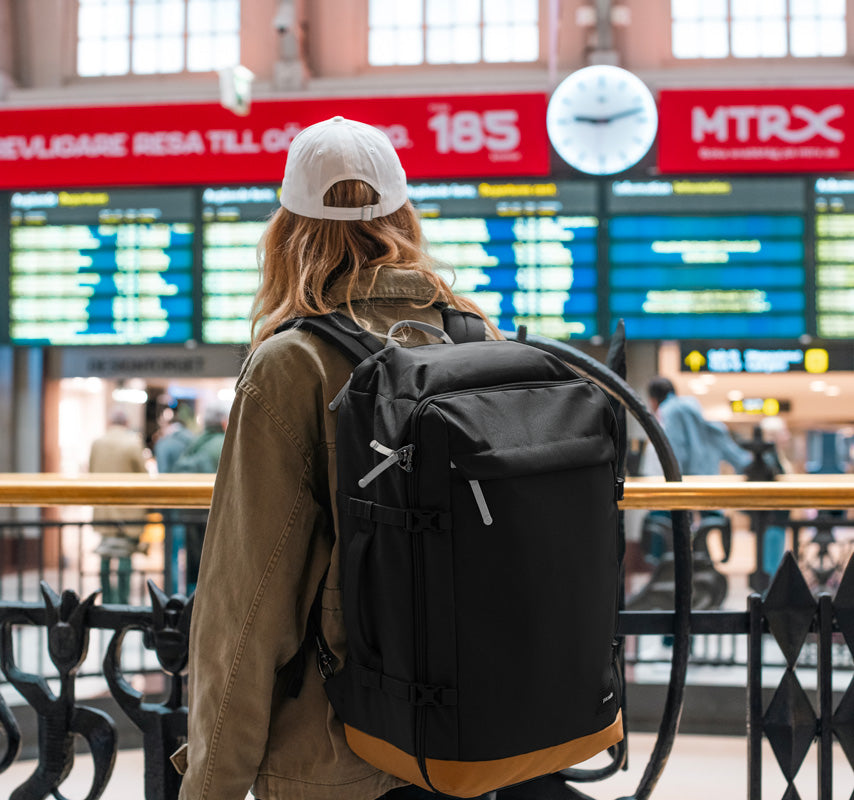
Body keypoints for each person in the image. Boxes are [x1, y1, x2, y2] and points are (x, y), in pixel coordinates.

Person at [172, 116, 498, 800]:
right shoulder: (474, 337)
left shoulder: (292, 364)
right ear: (403, 215)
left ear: (287, 230)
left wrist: (212, 786)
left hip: (336, 759)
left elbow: (248, 605)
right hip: (472, 744)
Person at [88, 407, 149, 604]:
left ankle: (106, 598)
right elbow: (142, 476)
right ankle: (122, 601)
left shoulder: (97, 443)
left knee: (104, 555)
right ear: (126, 424)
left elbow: (91, 471)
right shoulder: (133, 443)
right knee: (125, 555)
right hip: (127, 510)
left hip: (104, 508)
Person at [171, 401, 230, 594]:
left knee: (195, 566)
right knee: (216, 567)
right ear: (223, 421)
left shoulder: (196, 443)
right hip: (216, 518)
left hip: (191, 514)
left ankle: (192, 610)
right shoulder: (225, 445)